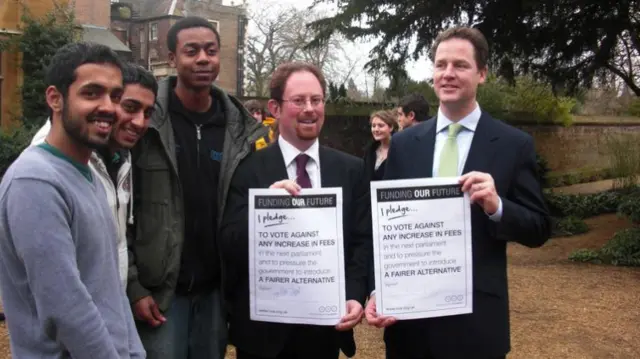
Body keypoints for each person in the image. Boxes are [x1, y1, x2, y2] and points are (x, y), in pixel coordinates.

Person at [365, 26, 551, 359]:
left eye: (460, 65)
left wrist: (497, 206)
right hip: (410, 328)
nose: (448, 74)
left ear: (482, 73)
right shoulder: (405, 144)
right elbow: (386, 230)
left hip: (477, 327)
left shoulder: (513, 144)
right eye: (441, 65)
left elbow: (539, 228)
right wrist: (380, 289)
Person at [127, 16, 269, 359]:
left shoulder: (243, 132)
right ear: (172, 58)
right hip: (161, 295)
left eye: (211, 50)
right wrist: (133, 287)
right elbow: (120, 210)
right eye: (192, 51)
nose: (203, 59)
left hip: (216, 295)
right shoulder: (145, 125)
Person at [0, 42, 144, 358]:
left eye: (115, 96)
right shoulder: (35, 182)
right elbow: (66, 308)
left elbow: (110, 289)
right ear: (55, 98)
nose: (108, 107)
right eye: (92, 93)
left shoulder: (88, 174)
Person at [219, 61, 371, 359]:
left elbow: (362, 243)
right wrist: (262, 213)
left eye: (316, 100)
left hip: (324, 334)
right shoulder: (247, 170)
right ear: (274, 108)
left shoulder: (351, 170)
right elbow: (227, 243)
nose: (310, 109)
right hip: (262, 336)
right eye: (299, 100)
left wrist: (354, 294)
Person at [30, 63, 158, 288]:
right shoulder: (47, 169)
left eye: (147, 113)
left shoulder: (121, 155)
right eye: (130, 107)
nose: (139, 122)